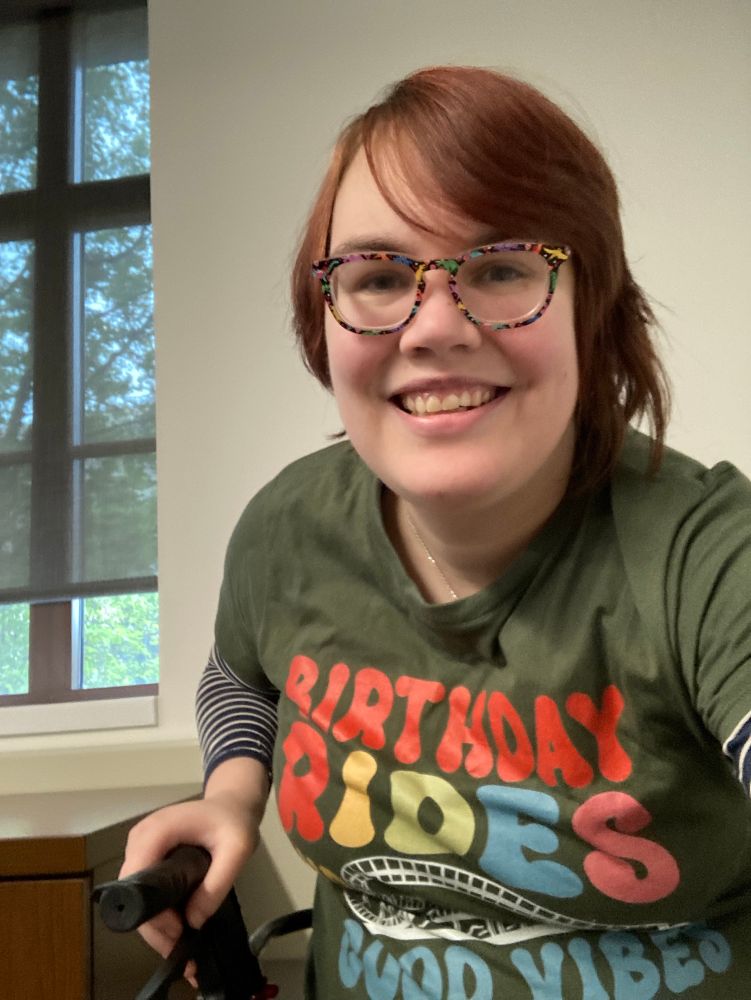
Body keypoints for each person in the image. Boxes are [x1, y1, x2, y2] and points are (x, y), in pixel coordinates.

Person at [121, 66, 751, 999]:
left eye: (500, 269)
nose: (434, 325)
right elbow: (239, 672)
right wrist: (231, 793)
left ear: (594, 307)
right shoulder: (288, 530)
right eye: (378, 275)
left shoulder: (703, 552)